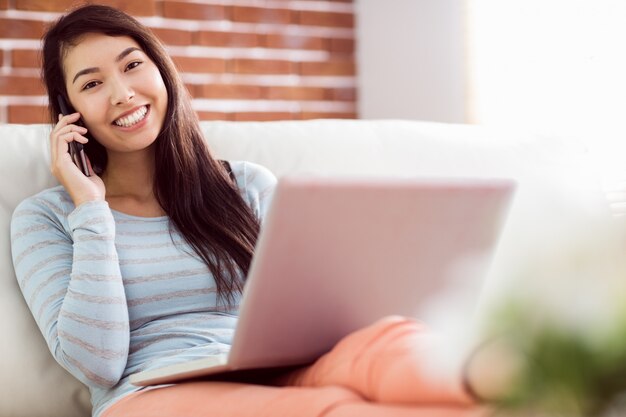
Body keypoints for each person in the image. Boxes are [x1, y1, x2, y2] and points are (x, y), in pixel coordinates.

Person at [10, 5, 496, 417]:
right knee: (335, 406)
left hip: (275, 370)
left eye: (132, 65)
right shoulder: (47, 218)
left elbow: (312, 309)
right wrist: (92, 211)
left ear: (161, 70)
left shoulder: (245, 185)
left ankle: (518, 382)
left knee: (391, 346)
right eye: (92, 83)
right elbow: (98, 362)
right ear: (67, 109)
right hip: (149, 395)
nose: (122, 93)